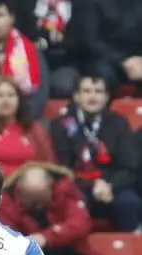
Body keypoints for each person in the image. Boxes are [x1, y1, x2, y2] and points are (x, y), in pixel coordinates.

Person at [50, 72, 142, 232]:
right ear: (76, 96)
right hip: (77, 186)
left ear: (107, 97)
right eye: (86, 91)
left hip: (112, 185)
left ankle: (130, 253)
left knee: (130, 203)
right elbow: (62, 167)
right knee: (71, 203)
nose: (92, 97)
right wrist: (92, 185)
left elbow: (128, 166)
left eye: (98, 92)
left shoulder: (118, 122)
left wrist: (109, 185)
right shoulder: (61, 124)